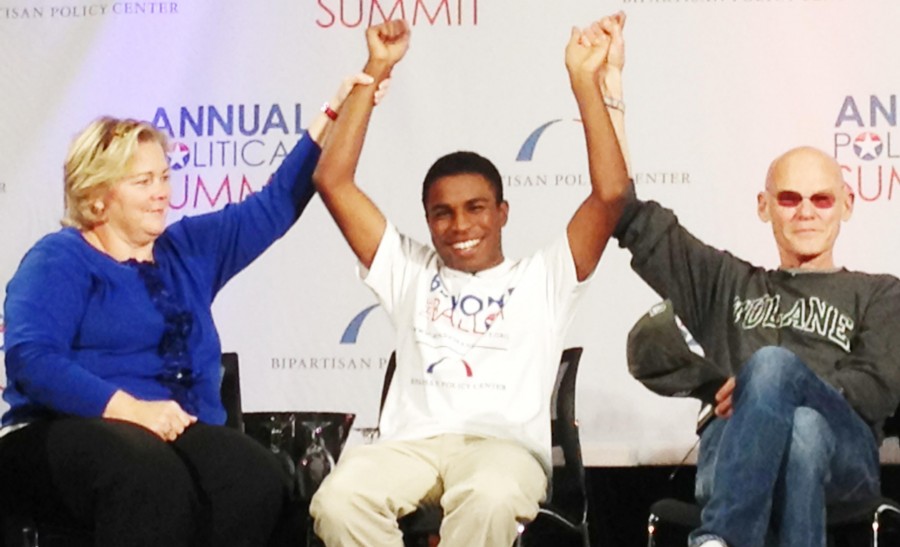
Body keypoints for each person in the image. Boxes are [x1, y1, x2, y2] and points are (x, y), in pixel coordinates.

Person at [0, 74, 384, 547]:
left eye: (164, 176)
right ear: (96, 195)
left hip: (172, 434)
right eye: (143, 181)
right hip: (61, 431)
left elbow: (274, 205)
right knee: (147, 475)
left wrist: (334, 115)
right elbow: (31, 360)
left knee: (258, 478)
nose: (162, 191)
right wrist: (132, 410)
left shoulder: (187, 250)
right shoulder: (59, 258)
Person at [308, 15, 630, 547]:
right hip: (409, 449)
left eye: (476, 208)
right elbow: (331, 179)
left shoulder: (545, 276)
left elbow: (611, 193)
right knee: (340, 501)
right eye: (442, 213)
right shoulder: (408, 269)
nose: (459, 226)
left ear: (503, 211)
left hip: (500, 451)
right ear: (427, 219)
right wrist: (378, 65)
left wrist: (584, 84)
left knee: (490, 497)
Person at [615, 143, 900, 545]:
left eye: (821, 199)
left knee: (773, 368)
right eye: (789, 199)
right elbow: (625, 210)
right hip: (734, 454)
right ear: (764, 206)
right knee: (804, 430)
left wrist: (778, 385)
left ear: (846, 205)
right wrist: (608, 101)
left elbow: (878, 390)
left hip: (845, 464)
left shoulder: (880, 293)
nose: (806, 212)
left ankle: (721, 537)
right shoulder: (726, 285)